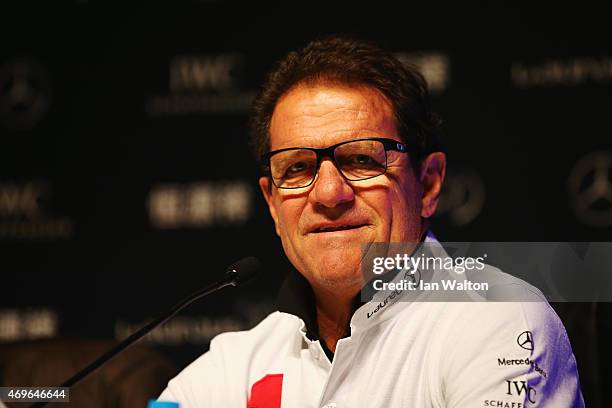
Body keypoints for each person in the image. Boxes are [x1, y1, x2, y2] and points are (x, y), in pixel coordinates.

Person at [158, 36, 584, 407]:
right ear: (272, 204)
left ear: (430, 183)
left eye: (362, 159)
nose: (327, 194)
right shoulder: (233, 367)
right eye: (298, 168)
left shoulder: (494, 318)